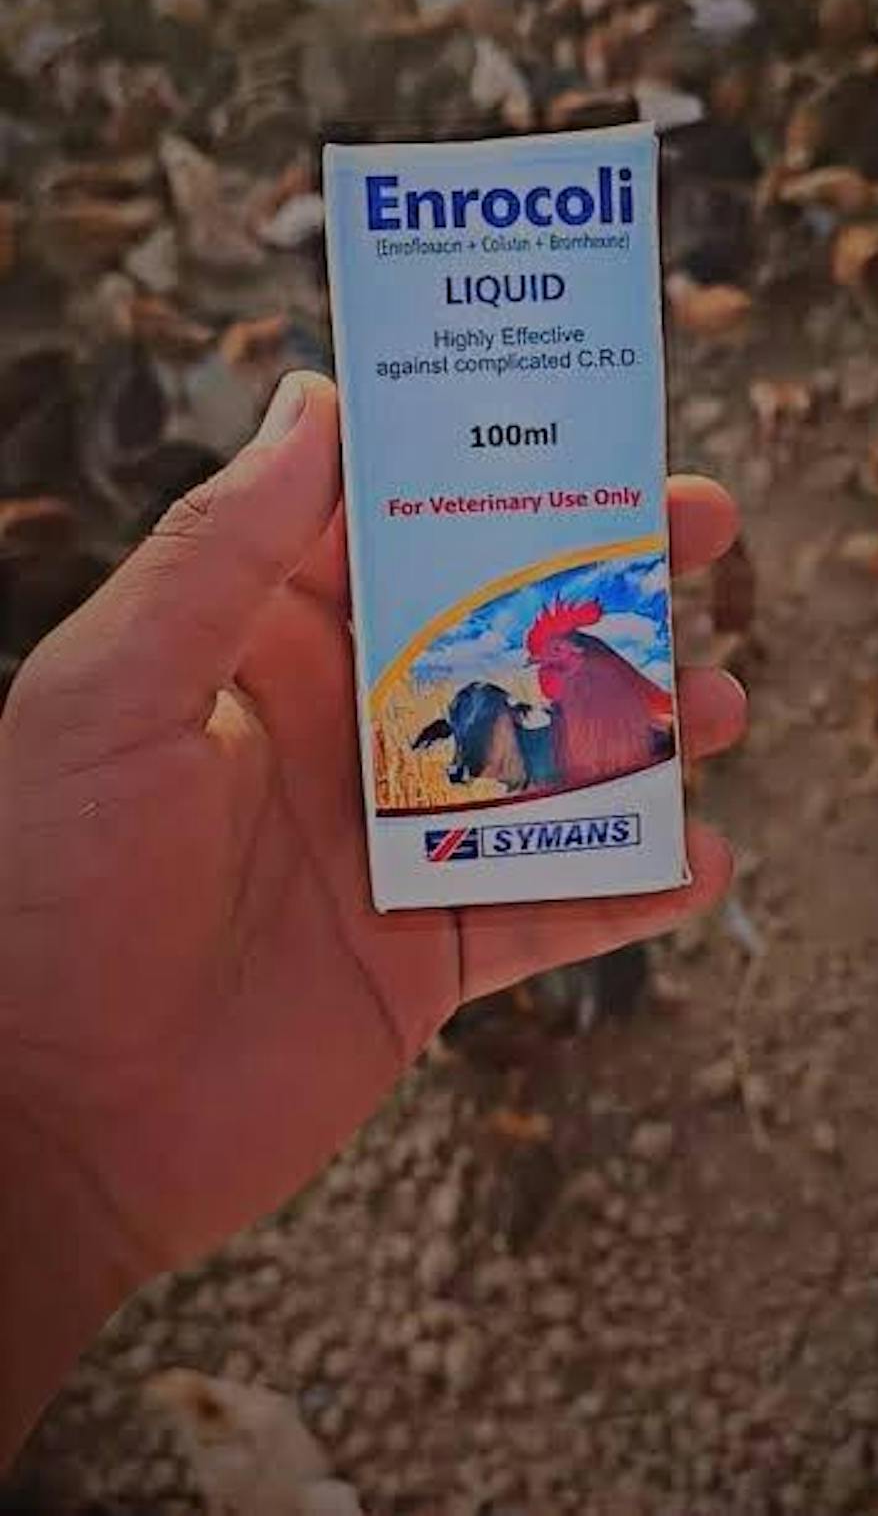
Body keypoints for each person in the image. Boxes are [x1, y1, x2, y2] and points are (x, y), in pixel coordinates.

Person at [0, 371, 746, 1460]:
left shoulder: (595, 714)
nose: (547, 673)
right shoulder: (538, 704)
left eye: (561, 662)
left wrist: (56, 1146)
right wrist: (51, 1126)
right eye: (544, 663)